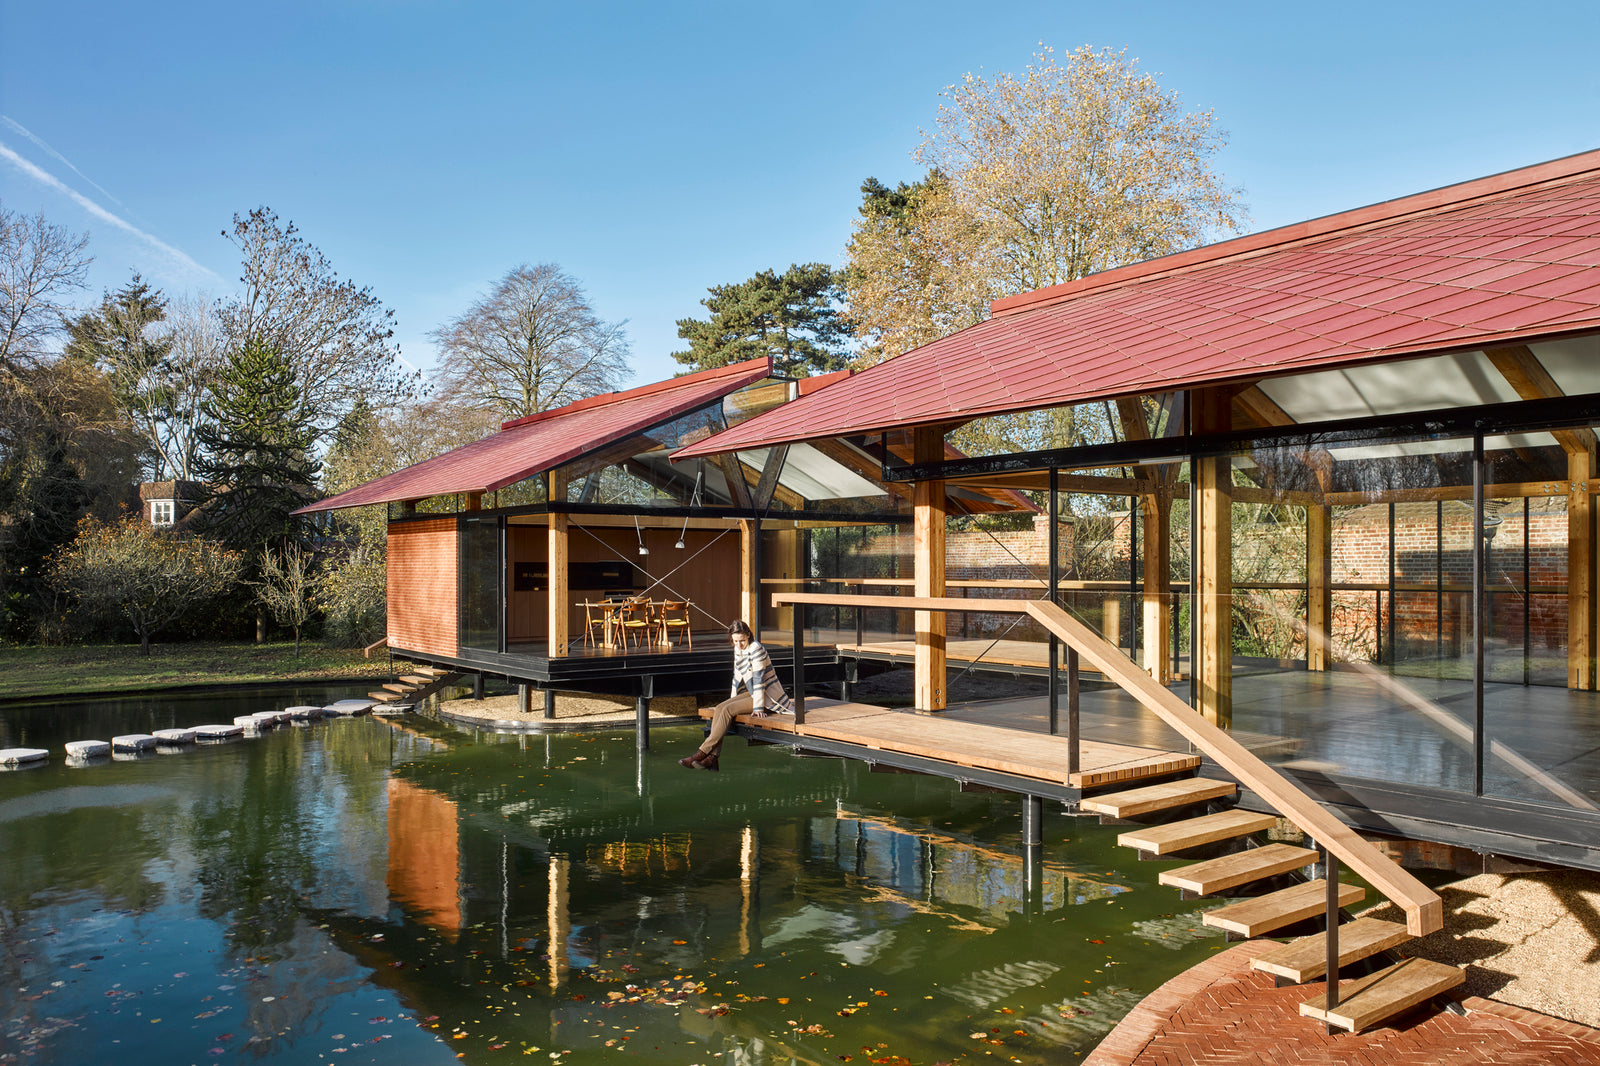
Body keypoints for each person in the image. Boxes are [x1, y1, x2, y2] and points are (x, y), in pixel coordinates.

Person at [680, 620, 792, 771]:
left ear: (748, 635)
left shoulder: (756, 648)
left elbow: (759, 680)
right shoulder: (738, 649)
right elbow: (737, 677)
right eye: (735, 641)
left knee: (727, 710)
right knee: (721, 707)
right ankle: (712, 759)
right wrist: (732, 700)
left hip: (768, 699)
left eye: (742, 641)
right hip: (753, 693)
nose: (739, 644)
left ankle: (701, 754)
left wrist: (758, 708)